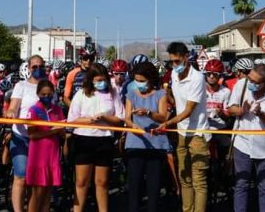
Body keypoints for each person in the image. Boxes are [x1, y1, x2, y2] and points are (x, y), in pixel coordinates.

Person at [152, 42, 211, 212]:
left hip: (198, 134)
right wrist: (166, 93)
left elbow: (188, 110)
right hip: (181, 133)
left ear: (186, 57)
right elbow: (176, 103)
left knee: (198, 180)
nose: (174, 65)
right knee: (184, 177)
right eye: (172, 62)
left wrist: (167, 123)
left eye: (177, 61)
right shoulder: (173, 76)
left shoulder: (198, 78)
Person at [226, 63, 265, 212]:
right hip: (242, 143)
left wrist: (261, 114)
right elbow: (230, 108)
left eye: (255, 82)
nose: (250, 83)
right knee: (241, 184)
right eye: (249, 79)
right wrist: (241, 110)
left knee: (264, 186)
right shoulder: (242, 84)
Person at [67, 63, 126, 212]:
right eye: (98, 80)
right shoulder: (81, 94)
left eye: (104, 79)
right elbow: (73, 119)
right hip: (83, 139)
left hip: (104, 140)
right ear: (91, 80)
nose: (102, 83)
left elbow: (120, 118)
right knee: (81, 181)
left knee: (102, 182)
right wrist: (90, 120)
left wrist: (105, 117)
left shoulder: (113, 93)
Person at [5, 55, 49, 212]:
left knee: (37, 180)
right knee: (21, 176)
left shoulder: (48, 86)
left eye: (40, 66)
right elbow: (13, 106)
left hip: (42, 139)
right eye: (34, 67)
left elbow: (53, 109)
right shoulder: (21, 86)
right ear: (29, 68)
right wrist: (10, 113)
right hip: (22, 136)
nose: (37, 70)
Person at [124, 61, 169, 212]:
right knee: (134, 187)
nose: (139, 84)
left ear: (150, 79)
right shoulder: (130, 94)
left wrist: (149, 113)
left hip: (155, 145)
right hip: (135, 144)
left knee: (154, 188)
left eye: (142, 81)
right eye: (136, 80)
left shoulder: (161, 94)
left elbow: (163, 117)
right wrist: (132, 126)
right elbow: (127, 118)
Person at [26, 80, 65, 212]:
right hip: (38, 157)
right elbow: (32, 135)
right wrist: (53, 131)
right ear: (38, 94)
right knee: (37, 194)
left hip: (52, 155)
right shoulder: (33, 110)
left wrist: (63, 130)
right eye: (43, 94)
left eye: (49, 94)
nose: (46, 97)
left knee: (48, 194)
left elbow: (63, 132)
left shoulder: (57, 110)